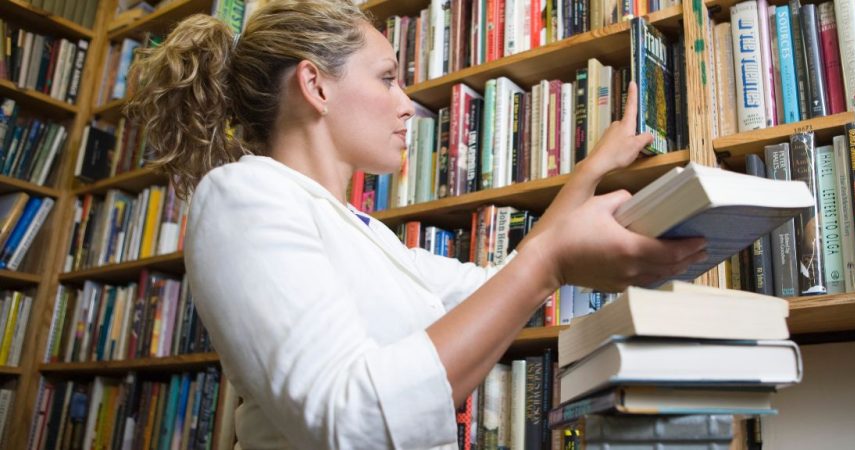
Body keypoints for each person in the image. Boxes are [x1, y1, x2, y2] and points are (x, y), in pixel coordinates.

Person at [128, 1, 707, 448]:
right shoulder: (242, 194)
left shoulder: (365, 231)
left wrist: (589, 172)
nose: (408, 104)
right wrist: (551, 260)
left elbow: (497, 288)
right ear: (316, 85)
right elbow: (351, 423)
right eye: (387, 78)